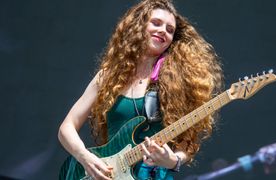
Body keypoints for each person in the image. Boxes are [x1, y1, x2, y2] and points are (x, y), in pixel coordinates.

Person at [58, 0, 223, 179]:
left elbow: (189, 141)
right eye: (156, 23)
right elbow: (67, 127)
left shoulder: (179, 82)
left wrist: (173, 160)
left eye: (170, 30)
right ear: (139, 25)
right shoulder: (108, 75)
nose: (163, 31)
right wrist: (85, 157)